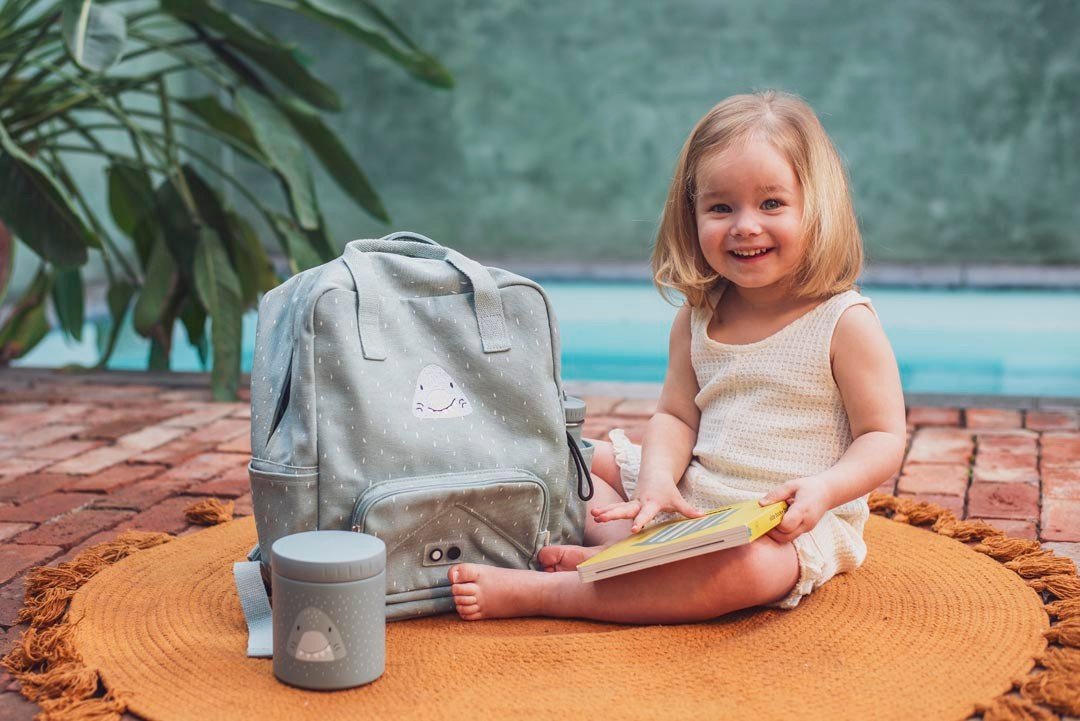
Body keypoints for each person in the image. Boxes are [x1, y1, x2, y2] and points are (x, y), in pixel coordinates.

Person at [448, 90, 906, 623]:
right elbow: (676, 415)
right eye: (720, 207)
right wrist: (657, 482)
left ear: (816, 207)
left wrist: (824, 490)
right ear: (691, 217)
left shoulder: (843, 322)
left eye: (772, 203)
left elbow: (883, 437)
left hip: (784, 522)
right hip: (694, 499)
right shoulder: (700, 314)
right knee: (572, 454)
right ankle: (628, 561)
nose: (745, 225)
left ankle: (556, 591)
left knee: (752, 570)